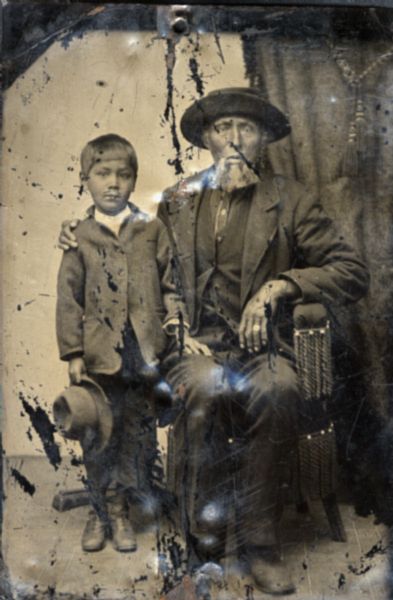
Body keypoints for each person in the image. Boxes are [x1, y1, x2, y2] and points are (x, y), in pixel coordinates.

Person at [58, 89, 369, 594]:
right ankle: (202, 534)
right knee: (203, 389)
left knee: (279, 389)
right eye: (223, 129)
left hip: (267, 348)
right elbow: (131, 249)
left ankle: (261, 541)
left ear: (264, 138)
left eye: (246, 129)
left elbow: (352, 272)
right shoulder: (177, 203)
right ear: (206, 139)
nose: (234, 140)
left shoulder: (291, 201)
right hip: (196, 348)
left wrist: (281, 285)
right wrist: (76, 232)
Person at [56, 133, 182, 553]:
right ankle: (99, 509)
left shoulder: (152, 229)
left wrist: (175, 319)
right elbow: (68, 299)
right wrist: (73, 352)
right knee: (98, 437)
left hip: (143, 353)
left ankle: (121, 511)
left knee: (136, 435)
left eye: (123, 175)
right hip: (99, 356)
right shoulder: (80, 237)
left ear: (134, 181)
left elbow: (171, 284)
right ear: (85, 179)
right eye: (102, 173)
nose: (113, 183)